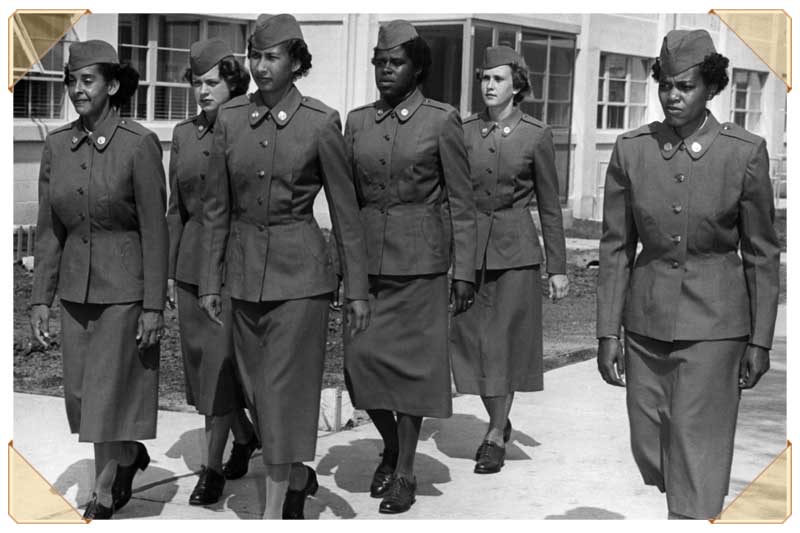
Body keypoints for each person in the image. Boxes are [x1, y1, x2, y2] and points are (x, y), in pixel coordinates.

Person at [596, 29, 780, 520]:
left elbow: (762, 253)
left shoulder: (744, 153)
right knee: (651, 444)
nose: (673, 97)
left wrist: (760, 340)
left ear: (711, 88)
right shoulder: (632, 150)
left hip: (716, 329)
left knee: (696, 450)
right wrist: (606, 332)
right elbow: (615, 247)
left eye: (686, 87)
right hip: (645, 323)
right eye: (666, 86)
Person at [198, 14, 370, 520]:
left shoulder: (320, 121)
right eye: (255, 56)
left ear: (296, 62)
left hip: (302, 280)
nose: (261, 66)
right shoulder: (230, 119)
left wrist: (356, 287)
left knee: (282, 393)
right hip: (243, 274)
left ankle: (272, 513)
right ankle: (295, 475)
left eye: (272, 57)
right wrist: (210, 279)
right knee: (253, 390)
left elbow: (345, 213)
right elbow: (215, 209)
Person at [29, 39, 168, 519]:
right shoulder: (56, 147)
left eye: (87, 80)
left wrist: (154, 305)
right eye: (71, 81)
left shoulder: (139, 144)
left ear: (111, 84)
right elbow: (50, 232)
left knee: (107, 396)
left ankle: (104, 489)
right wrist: (39, 300)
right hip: (74, 293)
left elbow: (156, 229)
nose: (77, 90)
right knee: (82, 397)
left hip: (124, 291)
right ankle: (128, 455)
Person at [344, 20, 476, 514]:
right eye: (379, 62)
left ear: (417, 68)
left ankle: (404, 472)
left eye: (394, 62)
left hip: (421, 267)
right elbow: (347, 199)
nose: (384, 70)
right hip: (369, 268)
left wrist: (464, 271)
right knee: (361, 366)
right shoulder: (357, 123)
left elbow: (462, 202)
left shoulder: (442, 121)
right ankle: (393, 443)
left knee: (415, 375)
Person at [450, 45, 568, 474]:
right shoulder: (464, 131)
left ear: (517, 84)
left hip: (516, 253)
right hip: (469, 252)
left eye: (498, 78)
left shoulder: (535, 134)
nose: (488, 85)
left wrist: (557, 267)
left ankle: (495, 433)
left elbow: (550, 205)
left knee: (502, 347)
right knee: (470, 345)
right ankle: (499, 417)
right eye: (484, 78)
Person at [166, 38, 260, 506]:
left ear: (232, 82)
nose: (203, 91)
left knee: (221, 370)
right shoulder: (183, 135)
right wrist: (167, 274)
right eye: (197, 83)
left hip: (232, 265)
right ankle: (243, 437)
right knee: (204, 371)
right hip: (189, 267)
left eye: (212, 82)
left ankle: (211, 468)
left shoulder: (249, 126)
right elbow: (174, 211)